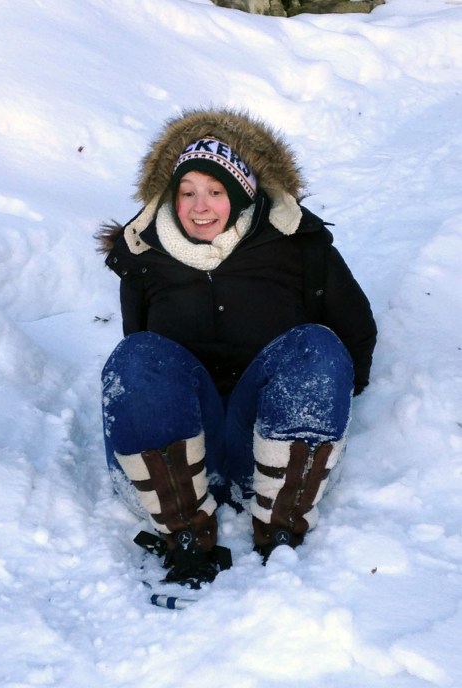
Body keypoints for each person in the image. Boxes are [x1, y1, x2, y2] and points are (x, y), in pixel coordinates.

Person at [97, 108, 377, 587]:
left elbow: (354, 335)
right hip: (184, 440)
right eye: (187, 192)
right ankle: (183, 528)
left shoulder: (294, 245)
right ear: (172, 196)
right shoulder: (147, 256)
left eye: (215, 191)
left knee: (315, 346)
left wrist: (316, 398)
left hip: (265, 431)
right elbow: (138, 345)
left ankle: (280, 518)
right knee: (141, 356)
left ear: (244, 194)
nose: (199, 206)